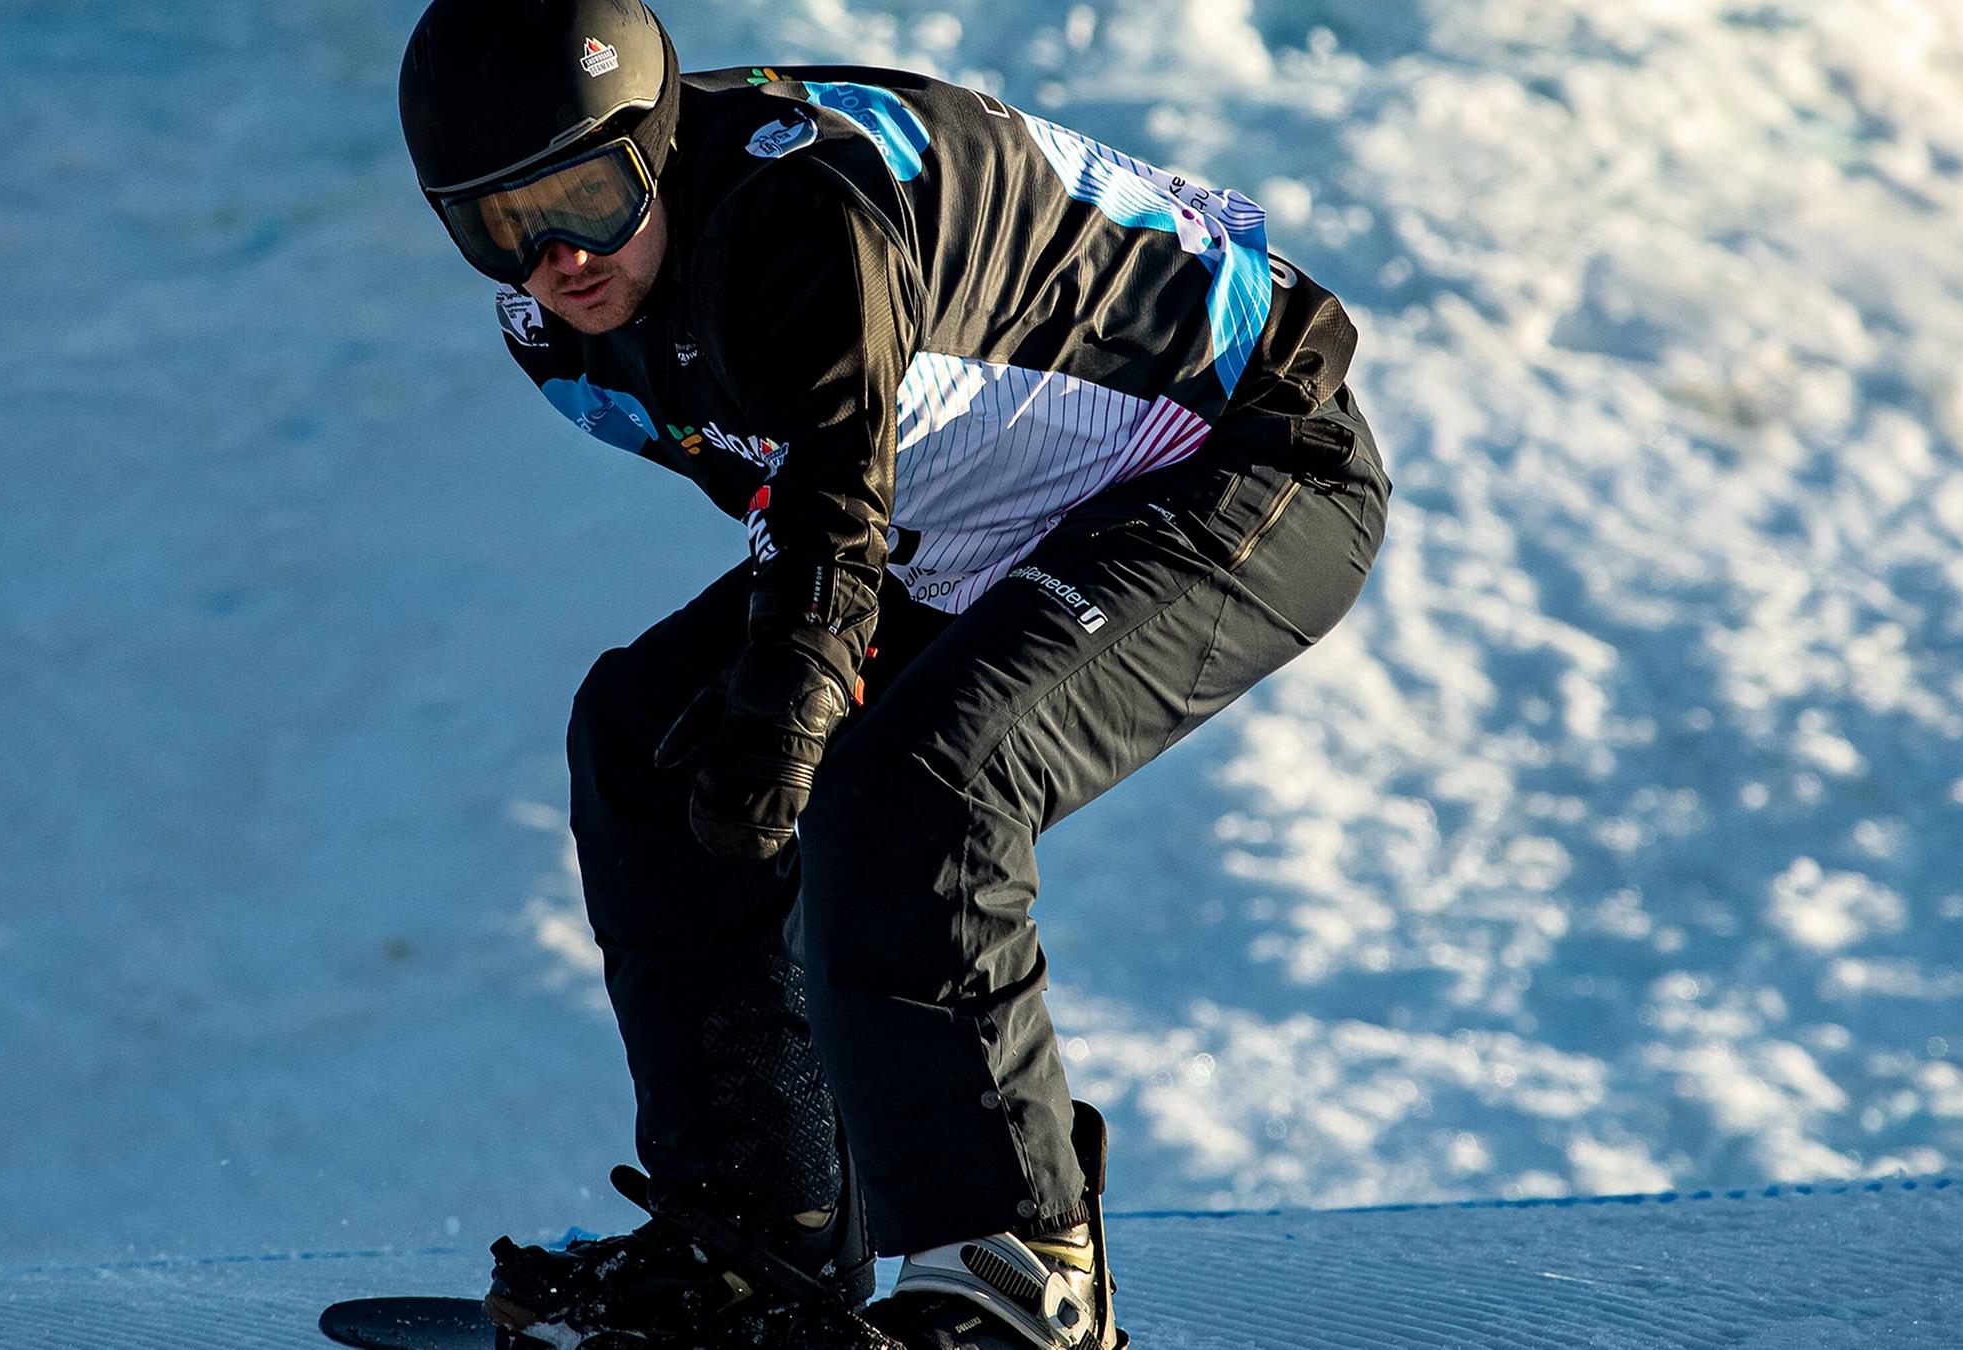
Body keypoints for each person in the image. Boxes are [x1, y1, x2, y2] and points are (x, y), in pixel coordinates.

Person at [399, 0, 1387, 1345]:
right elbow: (798, 501)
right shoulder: (561, 335)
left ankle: (1026, 1277)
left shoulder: (797, 216)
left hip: (1243, 453)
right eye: (496, 225)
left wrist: (799, 698)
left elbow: (830, 505)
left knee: (923, 785)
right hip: (970, 509)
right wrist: (773, 704)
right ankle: (761, 1243)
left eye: (586, 194)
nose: (557, 253)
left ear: (661, 144)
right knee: (646, 741)